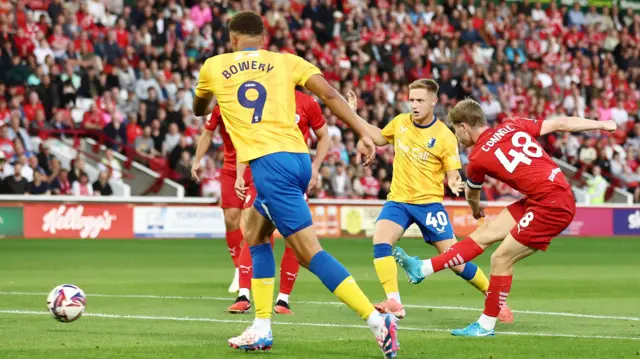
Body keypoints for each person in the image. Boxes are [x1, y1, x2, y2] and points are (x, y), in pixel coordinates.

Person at [190, 11, 397, 357]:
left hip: (270, 166)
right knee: (254, 234)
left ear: (232, 39)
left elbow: (200, 110)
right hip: (298, 158)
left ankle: (377, 320)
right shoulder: (286, 62)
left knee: (309, 253)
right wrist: (363, 131)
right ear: (264, 39)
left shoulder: (214, 66)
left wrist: (205, 96)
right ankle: (261, 326)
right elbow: (330, 94)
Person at [394, 99, 616, 337]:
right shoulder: (512, 125)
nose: (457, 137)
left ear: (463, 127)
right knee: (485, 234)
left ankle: (486, 325)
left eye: (455, 130)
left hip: (551, 205)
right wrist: (602, 123)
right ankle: (422, 269)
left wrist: (476, 208)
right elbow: (562, 122)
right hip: (546, 196)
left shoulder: (478, 157)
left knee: (501, 259)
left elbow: (471, 192)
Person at [348, 81, 511, 323]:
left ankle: (495, 298)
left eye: (420, 100)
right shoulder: (400, 122)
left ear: (433, 102)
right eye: (411, 100)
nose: (414, 105)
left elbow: (454, 173)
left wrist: (455, 183)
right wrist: (351, 113)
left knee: (457, 262)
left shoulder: (445, 136)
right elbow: (378, 137)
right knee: (381, 240)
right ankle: (394, 302)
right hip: (399, 201)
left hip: (429, 205)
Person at [230, 89, 330, 315]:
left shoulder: (307, 103)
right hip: (263, 174)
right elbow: (247, 138)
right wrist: (240, 174)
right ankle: (244, 295)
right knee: (254, 234)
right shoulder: (264, 99)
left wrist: (315, 168)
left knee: (295, 238)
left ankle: (283, 300)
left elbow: (324, 136)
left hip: (293, 180)